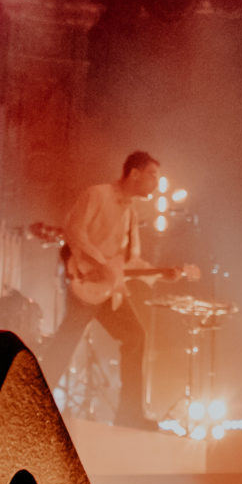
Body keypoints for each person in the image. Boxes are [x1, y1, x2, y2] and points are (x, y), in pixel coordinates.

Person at [37, 151, 189, 429]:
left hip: (108, 290)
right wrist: (100, 262)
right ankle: (33, 403)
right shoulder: (97, 195)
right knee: (67, 339)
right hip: (84, 280)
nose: (156, 183)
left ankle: (129, 413)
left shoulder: (131, 214)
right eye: (152, 175)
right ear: (134, 173)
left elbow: (130, 261)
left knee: (135, 337)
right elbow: (75, 231)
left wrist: (160, 274)